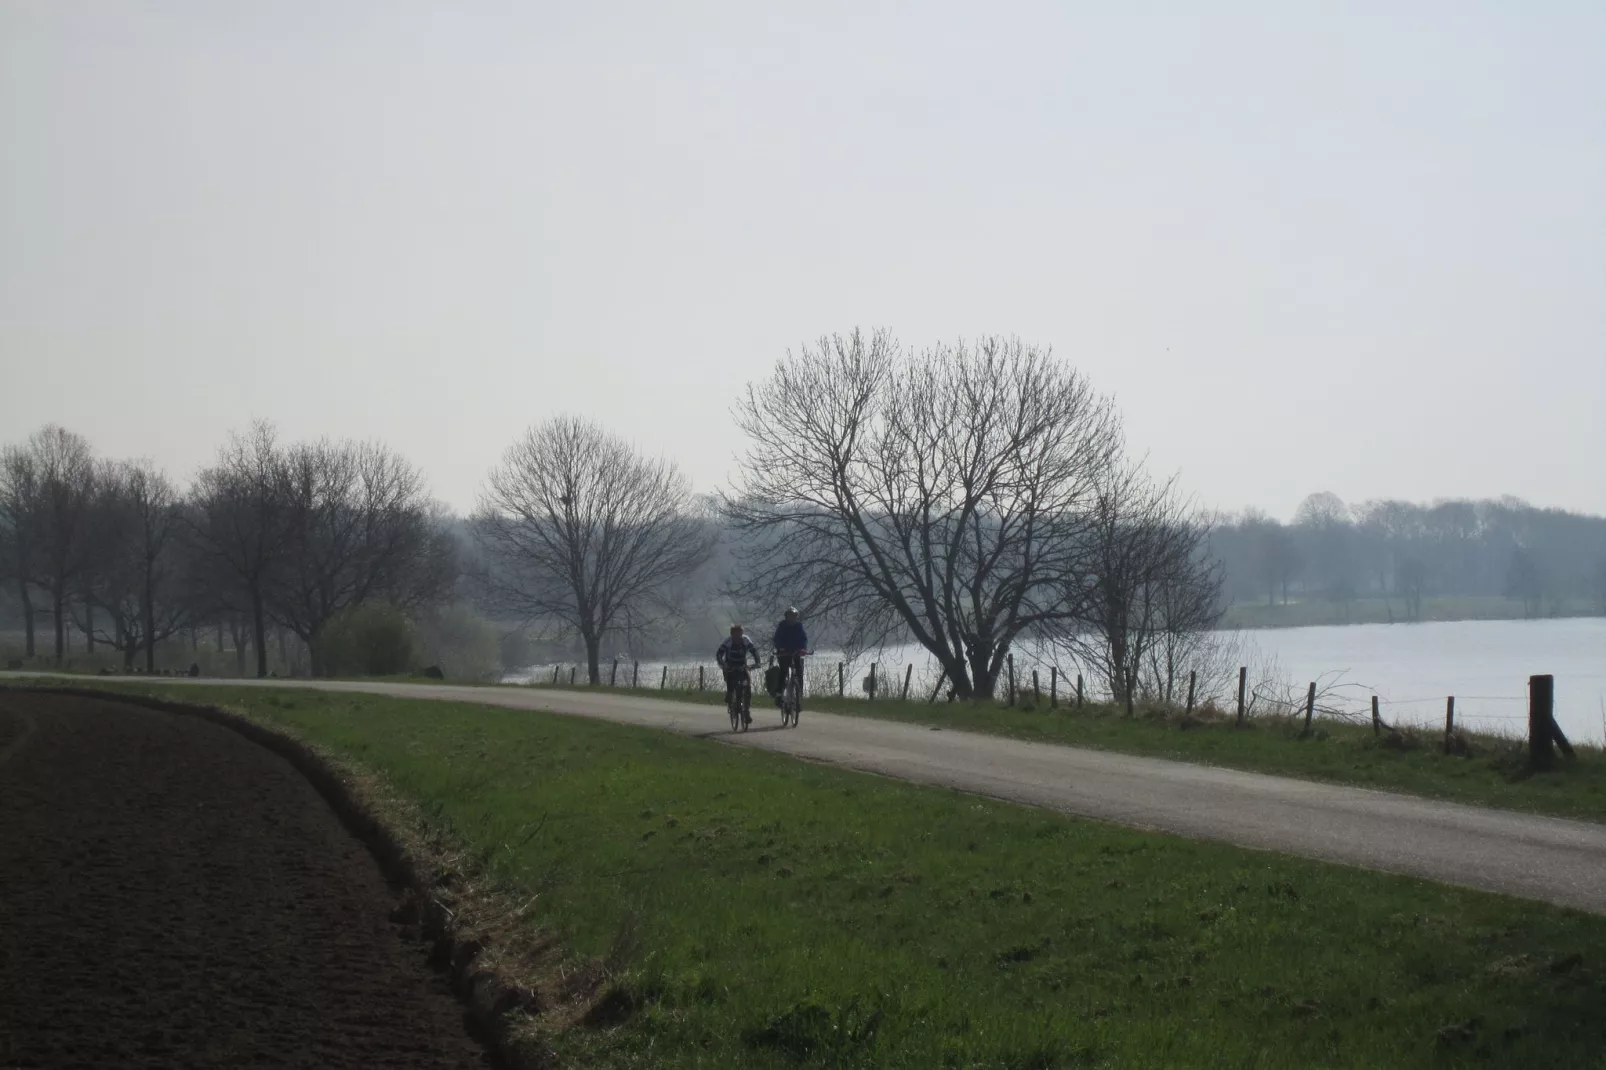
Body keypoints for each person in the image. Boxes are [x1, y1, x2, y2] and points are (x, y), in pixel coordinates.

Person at [716, 624, 762, 724]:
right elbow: (719, 654)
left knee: (747, 685)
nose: (738, 637)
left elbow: (754, 651)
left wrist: (757, 662)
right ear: (731, 634)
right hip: (730, 666)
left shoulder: (745, 640)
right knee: (731, 683)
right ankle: (730, 696)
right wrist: (722, 664)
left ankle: (746, 711)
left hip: (742, 666)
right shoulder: (728, 641)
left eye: (740, 634)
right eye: (735, 635)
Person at [770, 607, 809, 705]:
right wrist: (780, 647)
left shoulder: (799, 626)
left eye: (794, 616)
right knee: (783, 671)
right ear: (786, 617)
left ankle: (799, 693)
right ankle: (779, 694)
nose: (792, 618)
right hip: (784, 653)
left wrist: (803, 648)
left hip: (795, 652)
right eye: (789, 616)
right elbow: (777, 639)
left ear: (796, 617)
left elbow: (803, 639)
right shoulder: (782, 626)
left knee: (799, 670)